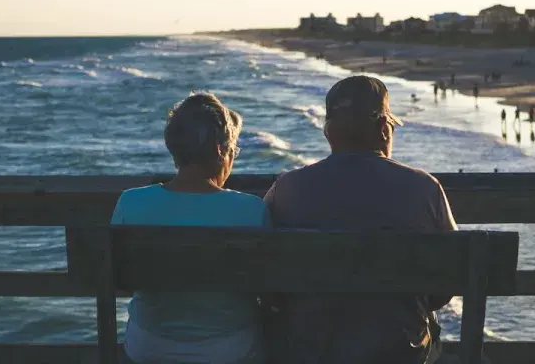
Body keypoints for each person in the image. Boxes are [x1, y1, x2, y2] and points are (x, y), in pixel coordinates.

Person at [263, 75, 462, 364]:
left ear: (328, 132)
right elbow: (451, 275)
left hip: (310, 351)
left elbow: (268, 277)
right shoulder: (424, 188)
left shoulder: (286, 188)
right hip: (401, 352)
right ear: (384, 129)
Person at [111, 92, 270, 364]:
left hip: (149, 347)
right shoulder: (252, 209)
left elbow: (119, 279)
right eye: (234, 151)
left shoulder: (131, 201)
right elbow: (268, 286)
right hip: (229, 350)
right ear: (221, 151)